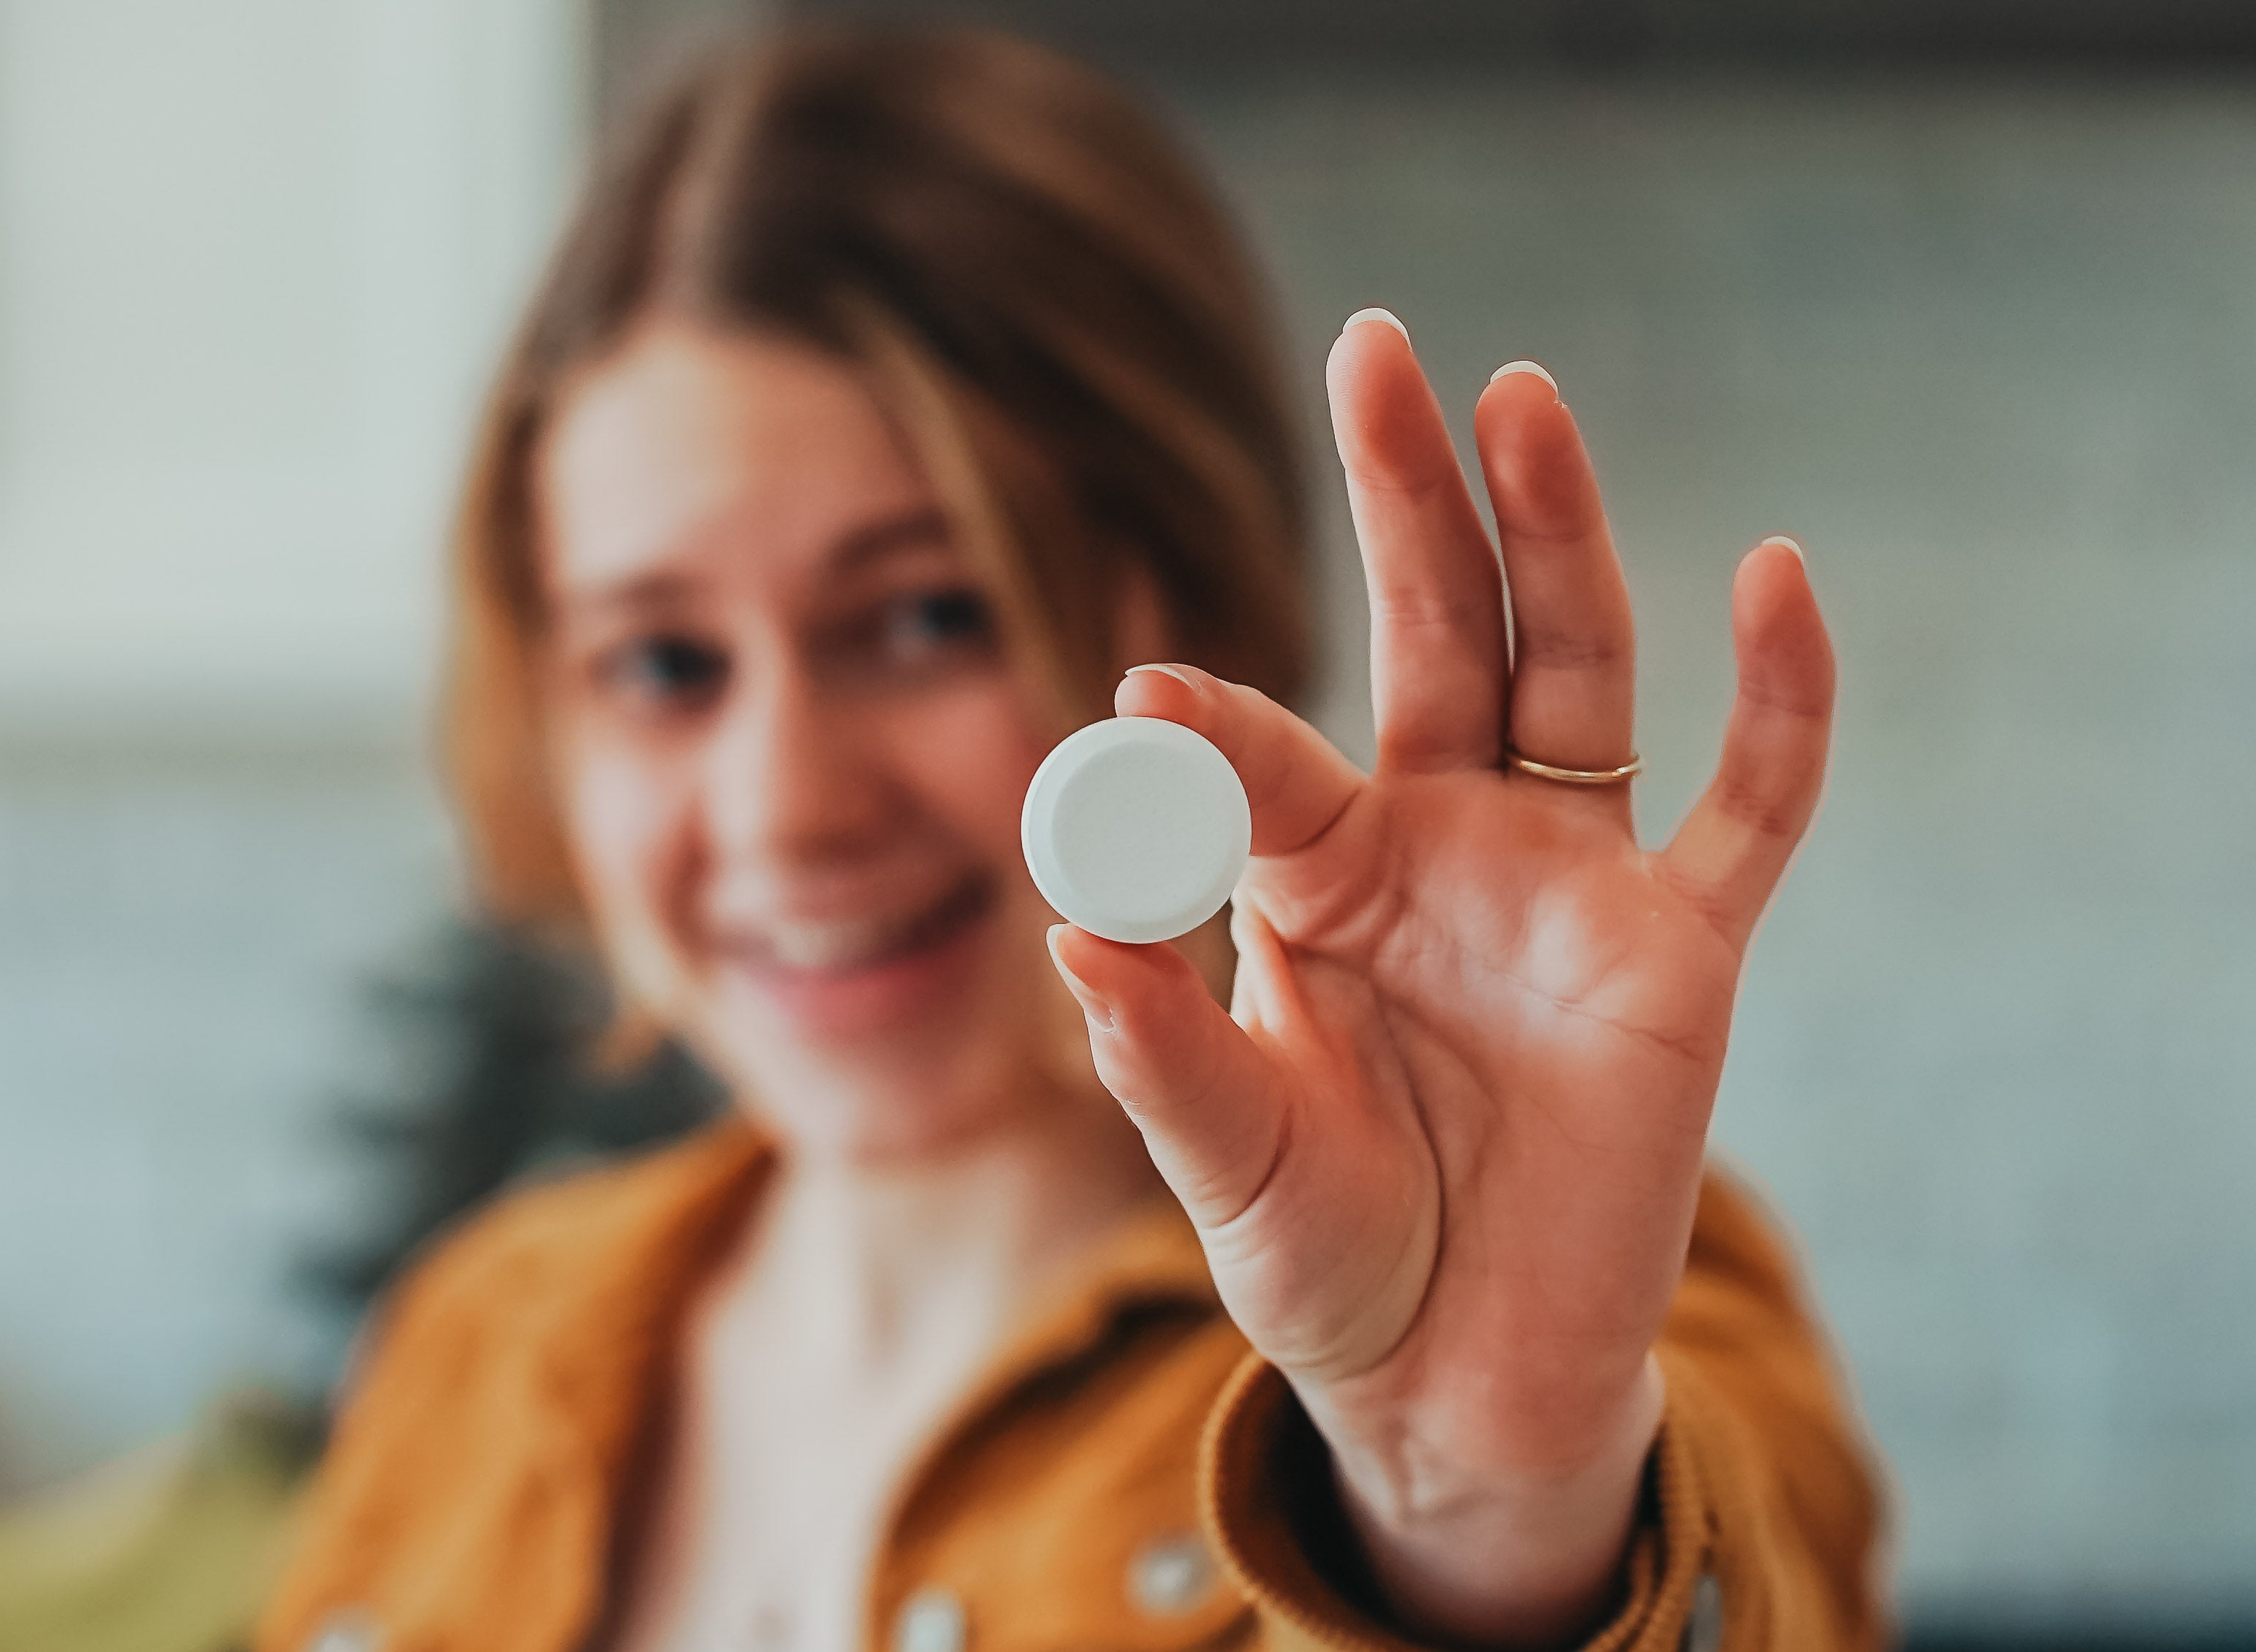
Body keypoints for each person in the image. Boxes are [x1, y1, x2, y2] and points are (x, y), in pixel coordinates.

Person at [259, 23, 1881, 1652]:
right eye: (665, 663)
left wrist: (1479, 1512)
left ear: (1195, 600)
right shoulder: (480, 1339)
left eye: (925, 616)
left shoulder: (1580, 1300)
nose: (784, 807)